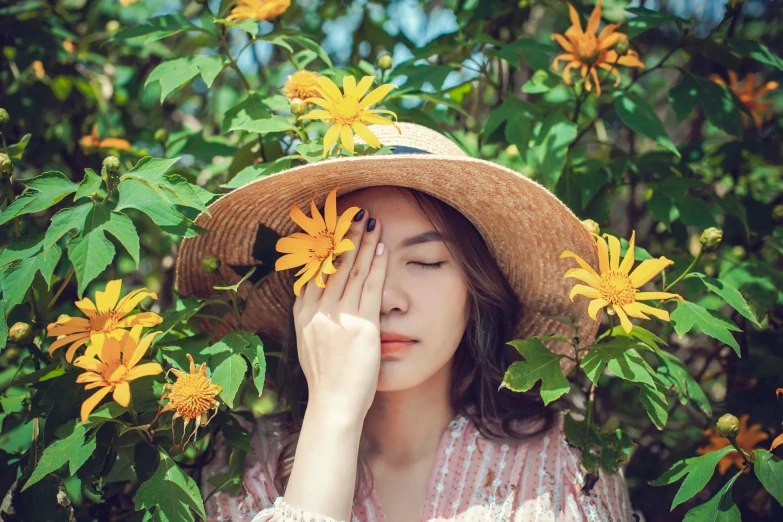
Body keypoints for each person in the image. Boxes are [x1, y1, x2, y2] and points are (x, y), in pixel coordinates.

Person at [174, 122, 635, 521]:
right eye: (349, 265)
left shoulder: (564, 468)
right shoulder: (245, 464)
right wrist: (332, 414)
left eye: (428, 262)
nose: (385, 300)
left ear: (476, 291)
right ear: (305, 291)